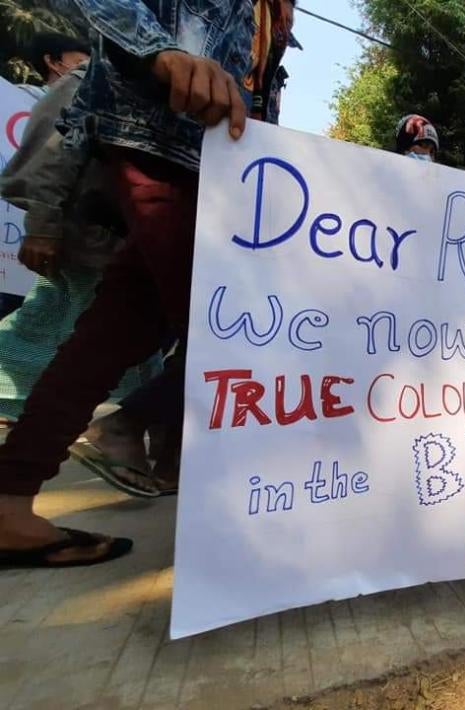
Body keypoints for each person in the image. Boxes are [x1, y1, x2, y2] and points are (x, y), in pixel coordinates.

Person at [0, 0, 294, 568]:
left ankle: (11, 498)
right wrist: (161, 53)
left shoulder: (272, 21)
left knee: (120, 326)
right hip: (156, 141)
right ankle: (287, 505)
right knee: (237, 328)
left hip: (210, 162)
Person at [0, 61, 162, 429]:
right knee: (91, 329)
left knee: (75, 323)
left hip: (130, 242)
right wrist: (43, 226)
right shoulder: (93, 78)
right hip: (87, 236)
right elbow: (51, 152)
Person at [0, 34, 92, 321]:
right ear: (52, 62)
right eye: (80, 62)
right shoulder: (17, 98)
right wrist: (42, 226)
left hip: (62, 247)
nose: (87, 67)